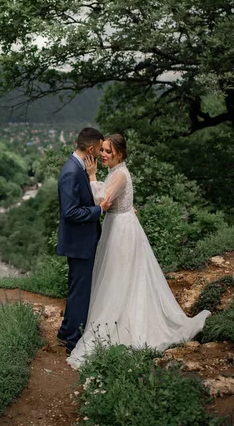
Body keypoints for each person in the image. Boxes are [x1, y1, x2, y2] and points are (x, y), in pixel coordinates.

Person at [67, 134, 211, 369]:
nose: (102, 154)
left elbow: (102, 200)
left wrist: (92, 176)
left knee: (120, 276)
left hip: (122, 231)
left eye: (107, 151)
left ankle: (123, 323)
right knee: (117, 275)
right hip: (118, 226)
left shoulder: (120, 174)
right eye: (102, 150)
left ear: (120, 154)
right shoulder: (117, 172)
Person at [57, 127, 112, 355]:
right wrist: (98, 210)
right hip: (79, 243)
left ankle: (65, 331)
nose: (101, 153)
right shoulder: (71, 172)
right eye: (100, 149)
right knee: (80, 292)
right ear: (90, 149)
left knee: (76, 288)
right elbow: (70, 212)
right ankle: (73, 342)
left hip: (80, 241)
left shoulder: (78, 167)